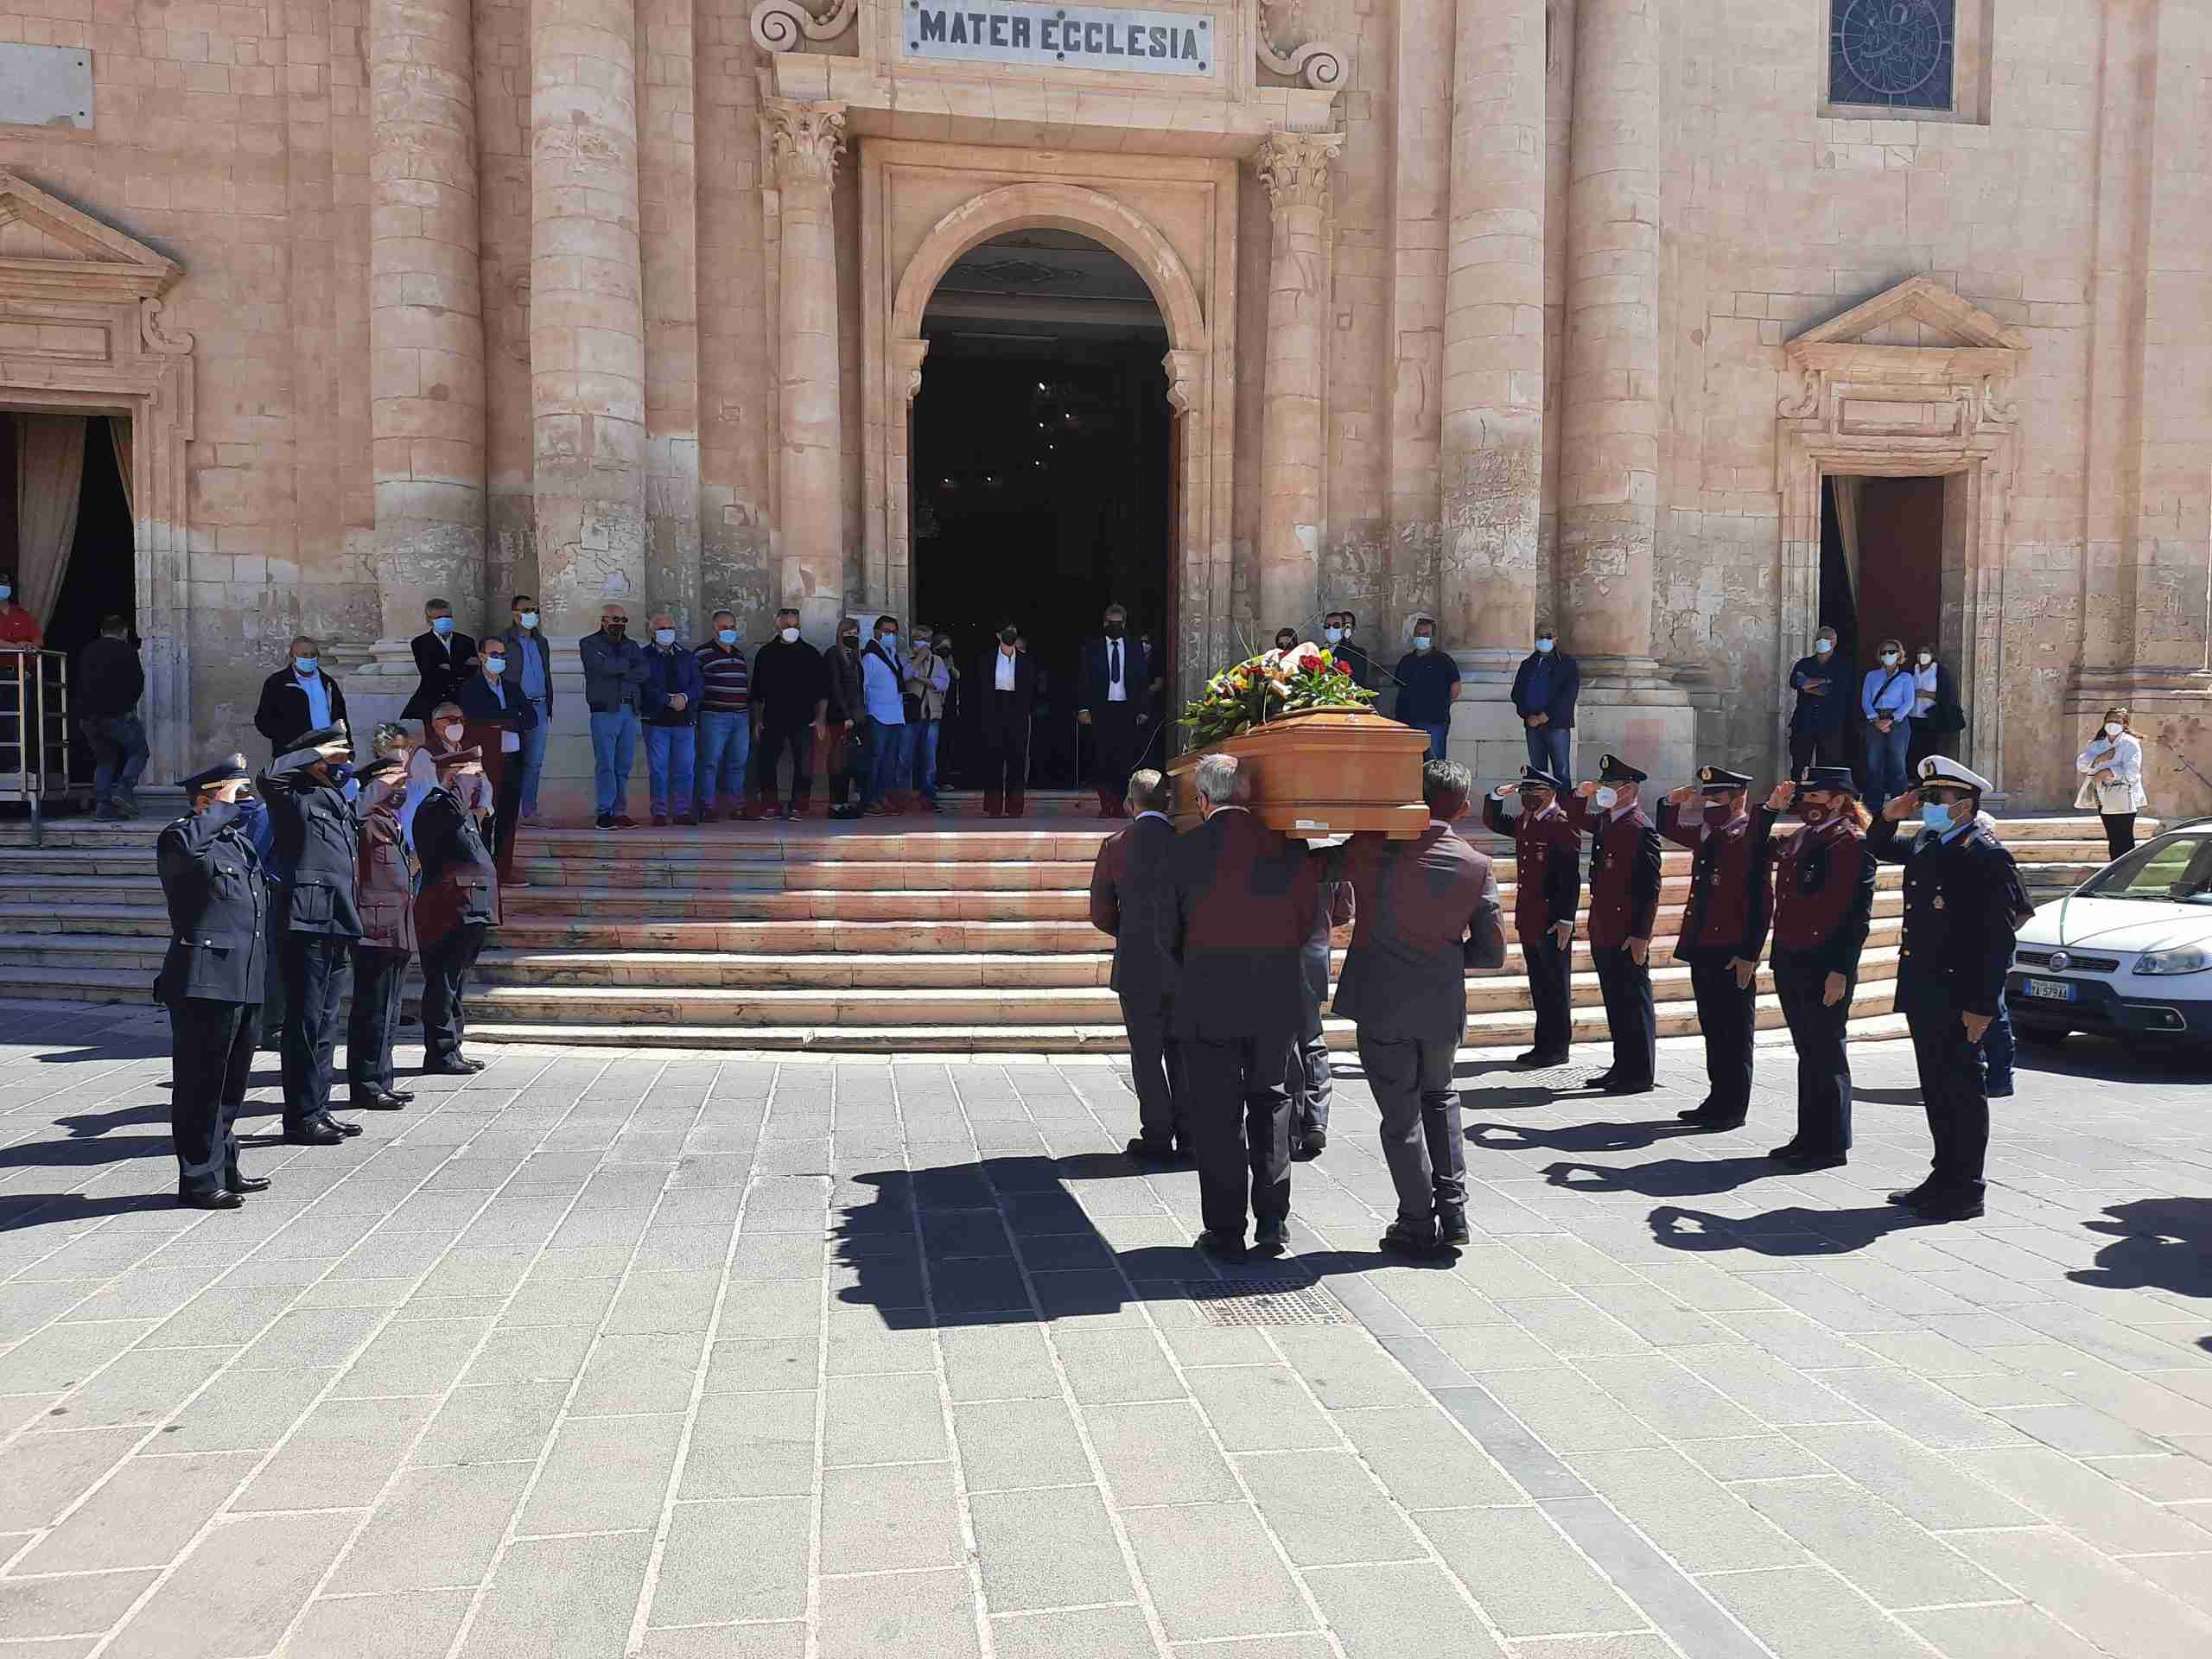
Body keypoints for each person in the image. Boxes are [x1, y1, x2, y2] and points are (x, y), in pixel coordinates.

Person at [1328, 759, 1506, 1256]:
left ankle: (1415, 1221)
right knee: (1442, 1099)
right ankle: (1454, 1213)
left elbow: (1320, 861)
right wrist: (1444, 958)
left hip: (1382, 1002)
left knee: (1401, 1118)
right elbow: (1492, 953)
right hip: (1441, 1003)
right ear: (1466, 808)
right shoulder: (1476, 864)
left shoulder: (1372, 849)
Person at [1164, 753, 1319, 1262]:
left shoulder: (1183, 851)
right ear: (1248, 797)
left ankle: (1226, 1229)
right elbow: (1304, 926)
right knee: (1273, 1103)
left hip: (1207, 1000)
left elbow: (1169, 936)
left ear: (1201, 799)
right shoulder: (1287, 849)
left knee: (1217, 1116)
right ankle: (1273, 1223)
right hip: (1275, 998)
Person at [1867, 756, 2023, 1222]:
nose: (1928, 805)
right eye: (1926, 797)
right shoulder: (1930, 842)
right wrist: (1887, 816)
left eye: (1937, 798)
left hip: (1960, 995)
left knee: (1962, 1090)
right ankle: (1943, 1174)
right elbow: (1878, 847)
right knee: (1936, 1087)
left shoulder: (1986, 852)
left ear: (1966, 804)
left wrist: (1982, 1006)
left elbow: (1999, 940)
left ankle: (1966, 1187)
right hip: (1925, 988)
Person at [155, 754, 272, 1209]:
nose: (242, 803)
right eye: (233, 794)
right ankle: (198, 1179)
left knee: (231, 1084)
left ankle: (224, 1165)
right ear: (205, 800)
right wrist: (215, 808)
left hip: (243, 978)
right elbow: (185, 853)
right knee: (200, 1083)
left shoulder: (236, 844)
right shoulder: (180, 838)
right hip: (203, 981)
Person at [1756, 770, 1875, 1170]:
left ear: (1840, 799)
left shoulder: (1849, 842)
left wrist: (1841, 970)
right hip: (1793, 956)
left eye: (1816, 794)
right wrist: (1770, 809)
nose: (1807, 801)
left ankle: (1831, 1142)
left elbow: (1853, 915)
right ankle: (1809, 1135)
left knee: (1825, 1052)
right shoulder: (1805, 835)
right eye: (1804, 795)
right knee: (1808, 1053)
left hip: (1825, 963)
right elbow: (1754, 845)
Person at [257, 725, 365, 1145]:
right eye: (332, 754)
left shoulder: (333, 795)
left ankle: (319, 1106)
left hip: (338, 915)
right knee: (303, 1021)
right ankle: (301, 1114)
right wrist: (311, 752)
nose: (341, 760)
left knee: (325, 1019)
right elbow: (267, 776)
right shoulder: (292, 794)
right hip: (306, 917)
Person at [1658, 767, 1772, 1132]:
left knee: (1735, 1031)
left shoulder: (1748, 834)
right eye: (1707, 797)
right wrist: (1669, 804)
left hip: (1733, 948)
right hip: (1703, 943)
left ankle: (1733, 1106)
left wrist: (1750, 954)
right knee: (1713, 1026)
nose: (1710, 804)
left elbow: (1761, 902)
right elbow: (1672, 829)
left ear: (1739, 797)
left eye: (1718, 798)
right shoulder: (1713, 833)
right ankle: (1716, 1097)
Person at [1090, 769, 1187, 1161]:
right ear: (1168, 802)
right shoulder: (1187, 842)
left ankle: (1157, 1135)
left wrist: (1128, 932)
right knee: (1183, 1052)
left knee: (1146, 1055)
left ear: (1131, 804)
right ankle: (1192, 1133)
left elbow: (1099, 913)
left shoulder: (1115, 844)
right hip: (1185, 962)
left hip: (1136, 963)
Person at [1566, 754, 1662, 1096]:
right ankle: (1622, 1065)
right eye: (1603, 784)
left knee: (1634, 1001)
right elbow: (1575, 816)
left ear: (1630, 789)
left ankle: (1639, 1072)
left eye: (1610, 786)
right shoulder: (1608, 819)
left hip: (1626, 930)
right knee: (1616, 1001)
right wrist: (1580, 793)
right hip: (1605, 926)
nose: (1604, 791)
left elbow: (1650, 888)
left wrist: (1641, 935)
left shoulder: (1639, 827)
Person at [1483, 766, 1581, 1067]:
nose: (1527, 797)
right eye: (1524, 791)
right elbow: (1494, 820)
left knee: (1555, 983)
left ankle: (1557, 1046)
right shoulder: (1527, 821)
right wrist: (1497, 795)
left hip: (1553, 919)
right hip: (1529, 916)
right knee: (1540, 983)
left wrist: (1566, 918)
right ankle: (1544, 1044)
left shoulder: (1561, 822)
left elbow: (1570, 877)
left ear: (1550, 793)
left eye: (1534, 792)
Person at [414, 746, 499, 1075]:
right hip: (446, 909)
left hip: (469, 908)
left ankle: (453, 1047)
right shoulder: (438, 806)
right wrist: (462, 782)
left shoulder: (459, 809)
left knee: (456, 980)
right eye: (472, 776)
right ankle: (440, 1051)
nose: (478, 782)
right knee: (443, 981)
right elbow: (451, 813)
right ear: (454, 776)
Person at [344, 754, 416, 1111]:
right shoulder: (366, 819)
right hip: (374, 928)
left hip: (398, 926)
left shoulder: (390, 819)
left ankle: (382, 1078)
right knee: (371, 1009)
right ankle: (366, 1084)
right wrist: (374, 790)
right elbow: (350, 816)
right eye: (393, 779)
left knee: (389, 1008)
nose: (401, 784)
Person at [455, 635, 537, 880]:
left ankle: (504, 870)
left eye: (502, 655)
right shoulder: (470, 688)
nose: (499, 659)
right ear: (481, 656)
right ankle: (483, 870)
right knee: (486, 815)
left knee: (508, 817)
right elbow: (477, 718)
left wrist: (503, 720)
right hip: (487, 761)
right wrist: (508, 718)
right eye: (494, 655)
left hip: (513, 760)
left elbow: (530, 718)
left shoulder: (512, 687)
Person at [1289, 875, 1353, 1160]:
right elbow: (1344, 912)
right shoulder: (1330, 859)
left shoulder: (1268, 850)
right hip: (1314, 953)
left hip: (1274, 954)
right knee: (1312, 1038)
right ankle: (1316, 1117)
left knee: (1284, 1042)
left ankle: (1292, 1120)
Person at [1078, 603, 1156, 817]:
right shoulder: (1092, 647)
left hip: (1126, 709)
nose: (1115, 627)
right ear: (1105, 623)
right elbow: (1084, 679)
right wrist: (1083, 708)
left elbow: (1142, 681)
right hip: (1101, 708)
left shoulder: (1133, 648)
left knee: (1123, 758)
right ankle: (1106, 805)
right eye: (1111, 623)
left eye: (1118, 623)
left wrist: (1143, 709)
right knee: (1101, 758)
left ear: (1124, 624)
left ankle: (1121, 805)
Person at [751, 607, 828, 821]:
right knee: (766, 762)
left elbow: (823, 691)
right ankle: (770, 805)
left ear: (800, 626)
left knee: (804, 765)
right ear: (777, 625)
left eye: (794, 626)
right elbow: (756, 693)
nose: (790, 629)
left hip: (804, 719)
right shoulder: (766, 654)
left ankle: (799, 807)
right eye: (786, 626)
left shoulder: (811, 654)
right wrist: (757, 720)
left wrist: (820, 719)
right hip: (772, 717)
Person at [579, 602, 649, 830]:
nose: (618, 624)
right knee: (606, 764)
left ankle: (620, 812)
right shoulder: (589, 643)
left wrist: (618, 668)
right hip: (605, 711)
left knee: (623, 765)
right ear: (603, 620)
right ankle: (605, 812)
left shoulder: (632, 645)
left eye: (622, 620)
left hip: (629, 710)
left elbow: (643, 672)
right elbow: (600, 667)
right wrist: (624, 667)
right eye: (614, 619)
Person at [77, 613, 149, 818]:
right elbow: (137, 683)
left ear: (102, 632)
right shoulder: (127, 650)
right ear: (124, 632)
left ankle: (103, 806)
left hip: (89, 718)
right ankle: (124, 791)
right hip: (117, 714)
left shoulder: (88, 650)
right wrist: (129, 706)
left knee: (104, 760)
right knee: (139, 752)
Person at [640, 612, 702, 827]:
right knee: (658, 770)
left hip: (684, 722)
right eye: (661, 628)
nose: (667, 632)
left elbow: (698, 684)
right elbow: (644, 685)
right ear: (651, 632)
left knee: (685, 769)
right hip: (656, 721)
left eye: (670, 628)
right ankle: (659, 812)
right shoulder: (643, 656)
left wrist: (685, 697)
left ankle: (682, 811)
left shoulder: (686, 656)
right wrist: (667, 700)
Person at [499, 595, 555, 823]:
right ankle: (507, 811)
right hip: (515, 708)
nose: (532, 614)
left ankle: (529, 811)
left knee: (535, 762)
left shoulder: (542, 642)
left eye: (535, 609)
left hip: (539, 706)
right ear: (515, 614)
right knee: (511, 761)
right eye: (526, 610)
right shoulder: (504, 640)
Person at [694, 609, 752, 822]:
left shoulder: (739, 655)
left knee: (738, 763)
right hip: (714, 717)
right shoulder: (702, 654)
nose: (729, 631)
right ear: (714, 629)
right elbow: (695, 685)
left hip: (740, 717)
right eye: (724, 627)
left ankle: (736, 806)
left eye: (732, 627)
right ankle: (706, 806)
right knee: (709, 762)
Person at [252, 637, 351, 759]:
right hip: (294, 754)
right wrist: (287, 739)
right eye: (304, 655)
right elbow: (263, 720)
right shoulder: (277, 683)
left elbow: (341, 716)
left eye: (313, 654)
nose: (309, 658)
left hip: (329, 750)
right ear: (293, 657)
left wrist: (347, 746)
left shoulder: (328, 682)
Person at [977, 620, 1036, 818]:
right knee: (993, 759)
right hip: (994, 711)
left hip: (1017, 712)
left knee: (1017, 760)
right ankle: (993, 807)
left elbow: (1032, 688)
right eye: (1006, 632)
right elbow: (979, 688)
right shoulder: (987, 659)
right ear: (998, 635)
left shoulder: (1025, 660)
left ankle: (1015, 807)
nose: (1010, 634)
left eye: (1013, 631)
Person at [855, 614, 912, 817]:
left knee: (889, 761)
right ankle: (869, 800)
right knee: (876, 759)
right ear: (877, 633)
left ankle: (882, 797)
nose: (891, 635)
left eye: (894, 632)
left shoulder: (891, 654)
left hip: (895, 714)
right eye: (887, 632)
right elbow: (862, 686)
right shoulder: (871, 657)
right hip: (877, 714)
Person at [2075, 706, 2147, 862]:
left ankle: (2126, 870)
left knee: (2124, 837)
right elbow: (2082, 765)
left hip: (2123, 794)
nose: (2112, 724)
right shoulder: (2097, 745)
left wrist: (2108, 772)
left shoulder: (2130, 744)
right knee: (2113, 836)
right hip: (2103, 796)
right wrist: (2099, 759)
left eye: (2117, 721)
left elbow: (2131, 772)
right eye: (2109, 721)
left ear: (2124, 724)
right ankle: (2114, 869)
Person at [1509, 626, 1579, 777]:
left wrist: (1546, 715)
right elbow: (1517, 694)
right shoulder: (1527, 664)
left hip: (1557, 725)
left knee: (1562, 773)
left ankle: (1563, 801)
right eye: (1540, 636)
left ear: (1555, 639)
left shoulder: (1567, 663)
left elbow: (1569, 694)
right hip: (1533, 725)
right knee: (1538, 774)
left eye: (1549, 636)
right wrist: (1527, 715)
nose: (1544, 639)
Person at [1393, 617, 1461, 761]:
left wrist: (1440, 705)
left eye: (1425, 635)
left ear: (1432, 637)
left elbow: (1455, 688)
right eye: (1418, 634)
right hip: (1407, 721)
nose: (1421, 637)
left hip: (1434, 722)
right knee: (1408, 763)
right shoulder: (1406, 661)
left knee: (1435, 765)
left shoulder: (1444, 661)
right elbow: (1398, 686)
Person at [1859, 637, 1916, 810]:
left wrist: (1891, 720)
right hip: (1874, 719)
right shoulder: (1871, 676)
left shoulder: (1906, 677)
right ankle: (1873, 806)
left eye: (1892, 651)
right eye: (1884, 652)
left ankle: (1899, 806)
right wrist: (1876, 719)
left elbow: (1909, 702)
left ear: (1899, 654)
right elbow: (1865, 700)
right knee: (1873, 763)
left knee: (1897, 764)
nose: (1888, 655)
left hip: (1897, 721)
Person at [401, 598, 477, 725]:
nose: (444, 620)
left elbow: (473, 671)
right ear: (429, 620)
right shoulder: (420, 643)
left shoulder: (466, 641)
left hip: (463, 700)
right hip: (433, 701)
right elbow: (430, 674)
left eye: (447, 616)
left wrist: (447, 667)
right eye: (439, 617)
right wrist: (461, 668)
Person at [820, 617, 866, 818]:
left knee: (850, 761)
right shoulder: (833, 654)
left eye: (855, 633)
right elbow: (835, 687)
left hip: (856, 716)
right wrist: (846, 716)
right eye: (848, 633)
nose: (852, 637)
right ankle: (836, 804)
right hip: (840, 716)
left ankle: (846, 802)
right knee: (838, 760)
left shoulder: (855, 656)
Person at [1786, 626, 1848, 774]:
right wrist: (1825, 681)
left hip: (1829, 724)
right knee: (1799, 765)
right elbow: (1797, 683)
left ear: (1834, 643)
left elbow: (1830, 691)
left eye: (1827, 638)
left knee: (1828, 767)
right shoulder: (1804, 663)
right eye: (1819, 638)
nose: (1822, 641)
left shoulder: (1841, 667)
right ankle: (1796, 796)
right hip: (1803, 722)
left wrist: (1810, 685)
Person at [905, 625, 953, 810]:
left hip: (932, 715)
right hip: (911, 716)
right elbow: (905, 676)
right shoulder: (906, 659)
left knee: (929, 760)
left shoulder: (939, 661)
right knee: (905, 758)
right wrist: (918, 660)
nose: (922, 643)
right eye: (918, 639)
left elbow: (943, 683)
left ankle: (928, 797)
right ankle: (903, 797)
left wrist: (921, 678)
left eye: (926, 639)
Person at [1906, 643, 1962, 772]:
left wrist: (1927, 694)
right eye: (1920, 652)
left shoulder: (1940, 672)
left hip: (1932, 718)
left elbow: (1948, 694)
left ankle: (1928, 778)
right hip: (1912, 716)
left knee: (1929, 750)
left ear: (1933, 655)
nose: (1922, 655)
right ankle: (1912, 778)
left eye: (1926, 652)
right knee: (1912, 750)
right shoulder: (1911, 670)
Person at [1324, 612, 1372, 690]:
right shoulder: (1317, 651)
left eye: (1336, 626)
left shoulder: (1357, 653)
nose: (1331, 629)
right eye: (1327, 626)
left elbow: (1358, 681)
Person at [0, 569, 41, 649]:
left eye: (4, 583)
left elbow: (38, 640)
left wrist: (29, 644)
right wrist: (17, 647)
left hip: (21, 661)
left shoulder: (24, 614)